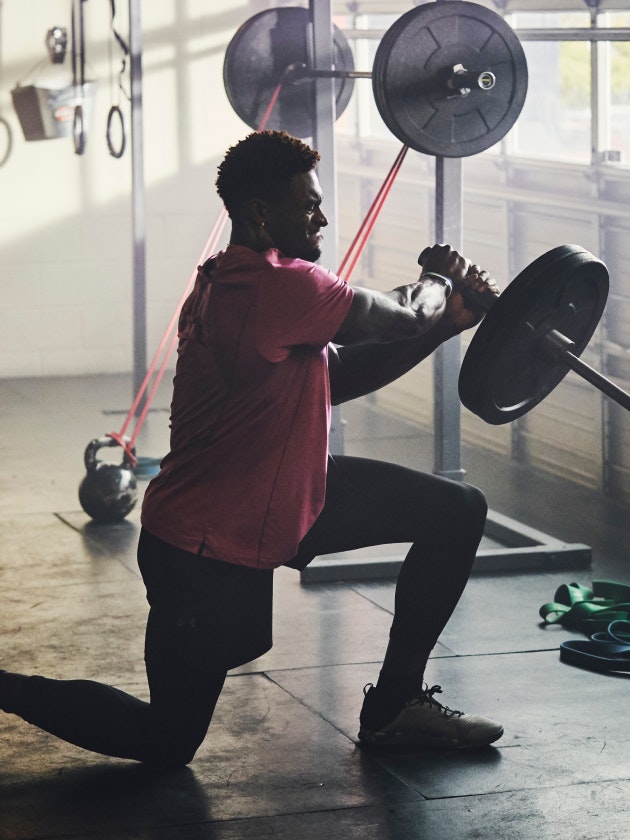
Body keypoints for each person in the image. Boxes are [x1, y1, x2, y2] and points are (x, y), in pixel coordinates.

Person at [0, 130, 502, 766]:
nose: (321, 216)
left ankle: (396, 704)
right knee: (169, 740)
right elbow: (403, 312)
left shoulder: (246, 281)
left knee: (455, 510)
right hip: (205, 539)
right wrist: (439, 280)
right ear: (261, 213)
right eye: (307, 205)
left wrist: (448, 323)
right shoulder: (270, 287)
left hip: (290, 493)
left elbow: (335, 376)